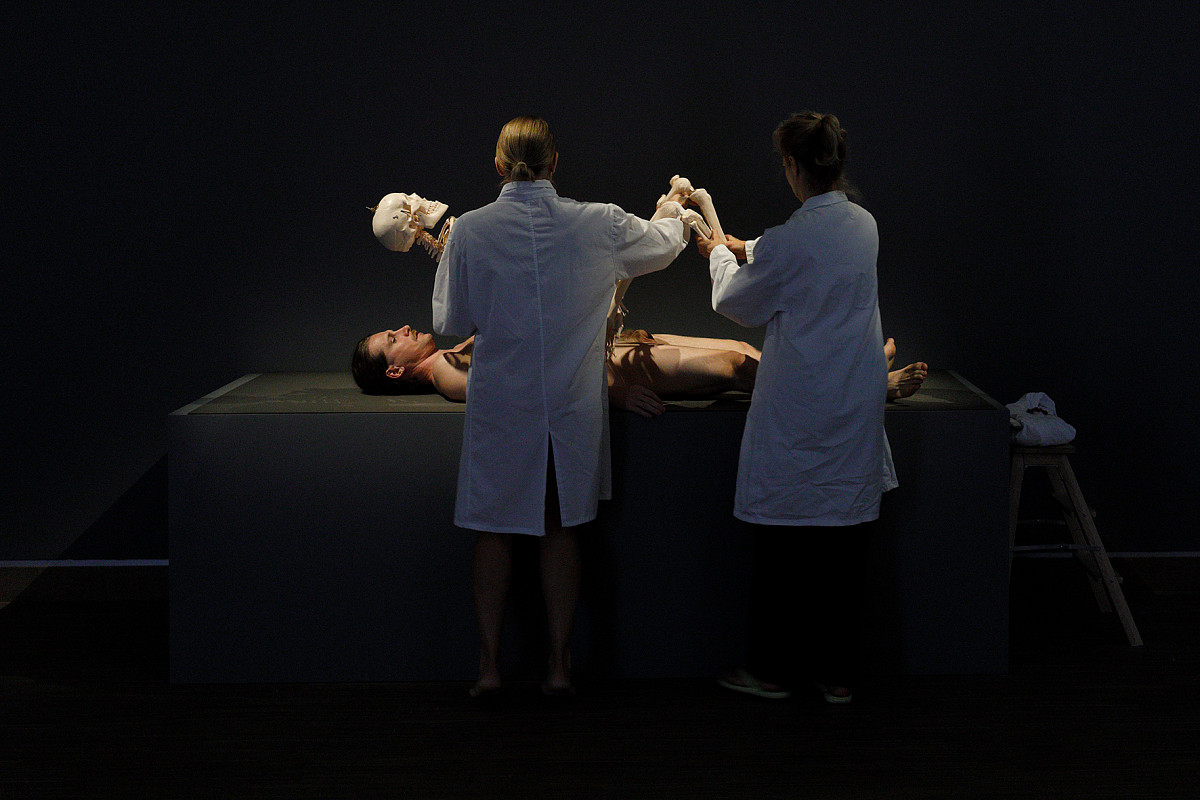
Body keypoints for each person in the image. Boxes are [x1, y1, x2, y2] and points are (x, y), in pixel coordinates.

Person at [429, 116, 688, 697]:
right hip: (569, 402)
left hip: (502, 401)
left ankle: (490, 669)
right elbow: (665, 246)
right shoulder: (598, 223)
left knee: (493, 530)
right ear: (555, 163)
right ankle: (559, 668)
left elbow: (448, 320)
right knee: (559, 526)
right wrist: (672, 207)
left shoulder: (470, 231)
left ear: (498, 166)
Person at [696, 111, 889, 705]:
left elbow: (735, 301)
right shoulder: (863, 225)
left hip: (801, 406)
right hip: (853, 399)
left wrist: (717, 253)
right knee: (843, 549)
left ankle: (772, 669)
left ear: (792, 166)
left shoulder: (791, 240)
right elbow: (804, 255)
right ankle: (838, 675)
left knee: (783, 547)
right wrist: (747, 244)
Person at [351, 325, 924, 418]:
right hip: (610, 369)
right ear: (396, 372)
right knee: (734, 367)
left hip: (618, 343)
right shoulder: (450, 374)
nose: (402, 330)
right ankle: (870, 389)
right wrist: (615, 396)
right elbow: (513, 391)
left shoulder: (456, 344)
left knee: (740, 347)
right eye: (391, 340)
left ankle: (851, 369)